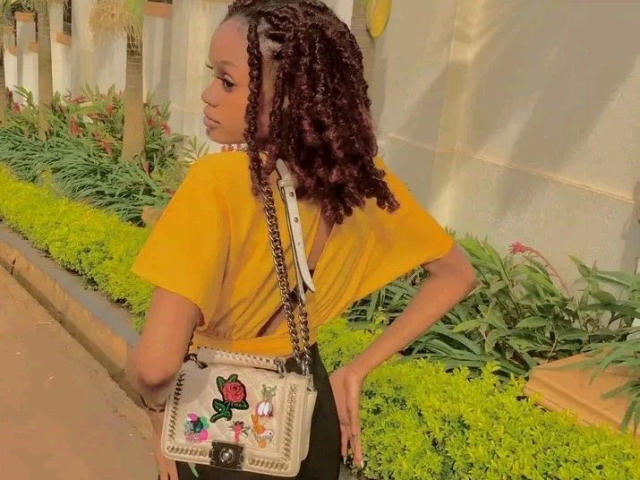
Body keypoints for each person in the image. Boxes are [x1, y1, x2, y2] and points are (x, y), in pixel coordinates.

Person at [125, 1, 478, 479]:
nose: (207, 95)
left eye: (227, 82)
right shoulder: (354, 182)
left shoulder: (215, 184)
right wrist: (356, 369)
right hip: (310, 413)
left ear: (288, 97)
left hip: (221, 428)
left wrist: (155, 412)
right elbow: (456, 274)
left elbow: (154, 368)